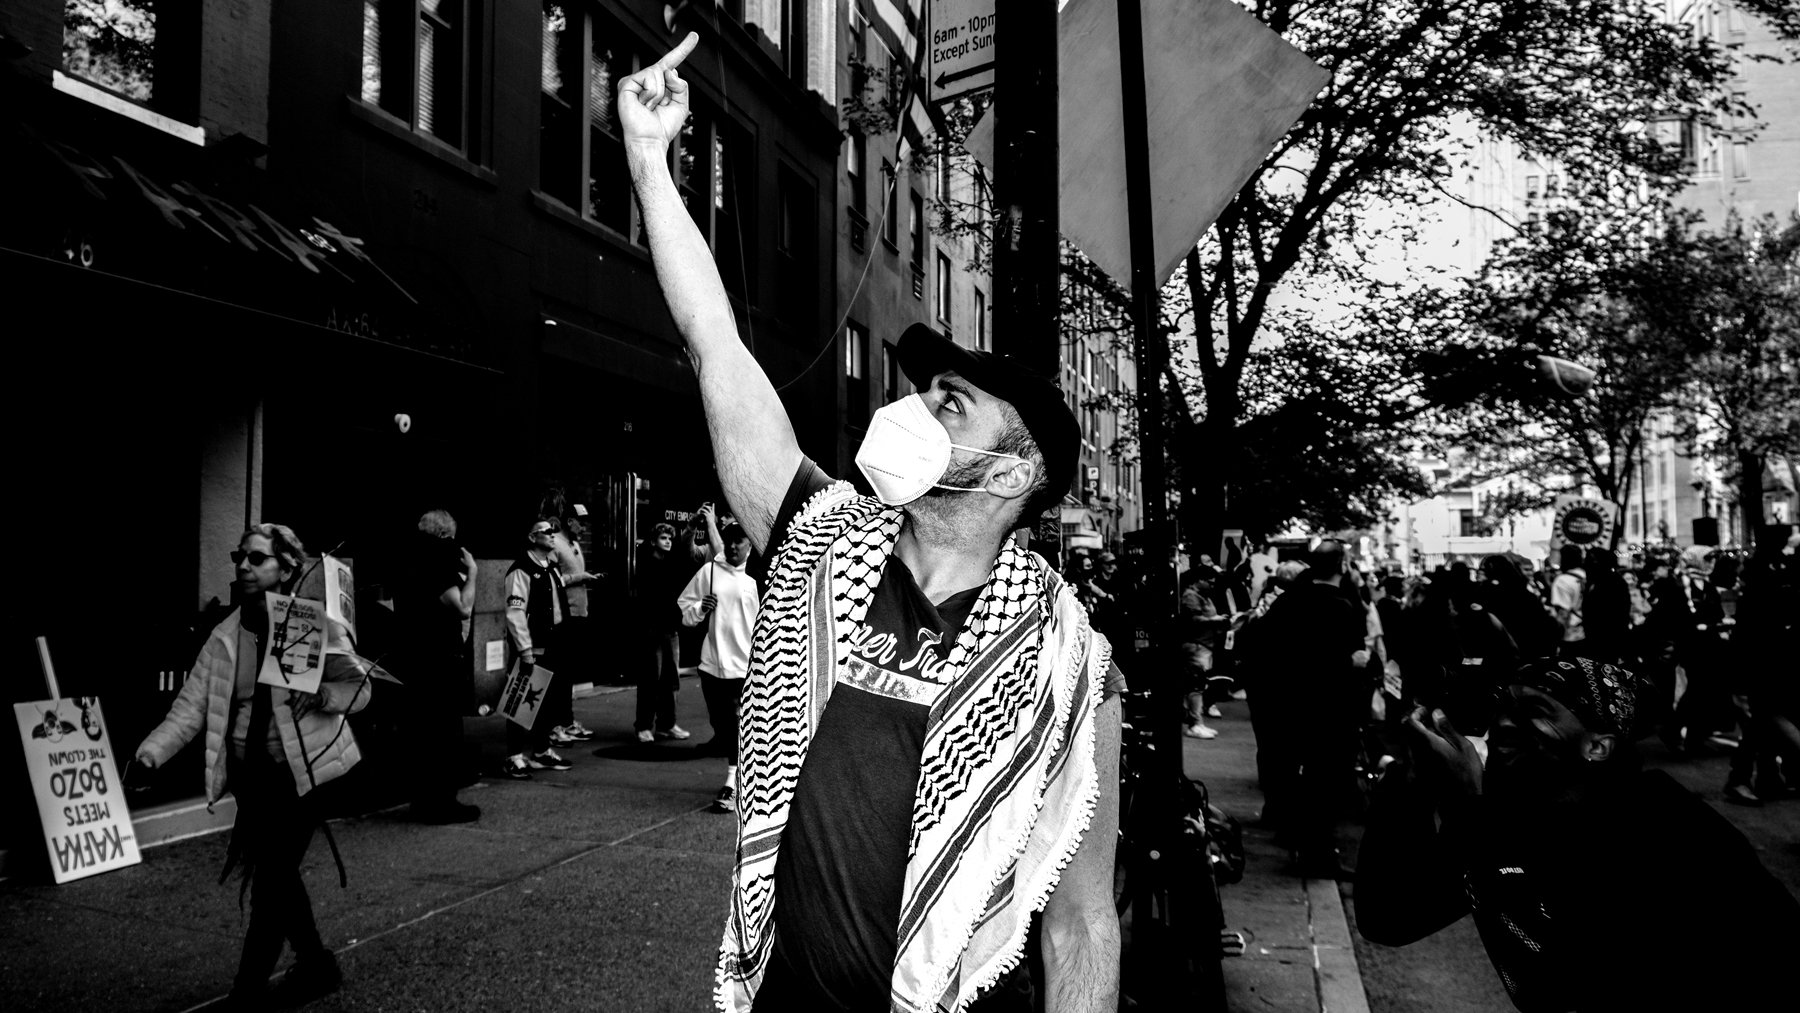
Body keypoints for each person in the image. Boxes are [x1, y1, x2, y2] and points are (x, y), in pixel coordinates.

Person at [622, 35, 1121, 1012]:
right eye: (925, 389)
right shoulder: (822, 537)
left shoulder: (1074, 666)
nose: (918, 409)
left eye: (954, 401)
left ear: (1014, 469)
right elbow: (717, 347)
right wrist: (650, 163)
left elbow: (1082, 920)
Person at [1356, 657, 1800, 1011]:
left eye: (1534, 712)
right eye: (1503, 710)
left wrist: (1468, 809)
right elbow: (1391, 917)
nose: (1505, 725)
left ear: (1598, 746)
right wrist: (1410, 782)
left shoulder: (1660, 826)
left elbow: (1555, 982)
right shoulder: (1520, 817)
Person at [133, 524, 375, 1008]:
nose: (243, 566)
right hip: (254, 782)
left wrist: (324, 694)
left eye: (257, 559)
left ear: (286, 569)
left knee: (271, 882)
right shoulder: (226, 635)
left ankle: (245, 997)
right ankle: (316, 964)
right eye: (240, 557)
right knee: (279, 876)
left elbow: (362, 689)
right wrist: (150, 753)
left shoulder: (313, 624)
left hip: (304, 775)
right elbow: (191, 705)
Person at [1248, 541, 1368, 878]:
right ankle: (1319, 856)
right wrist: (1351, 661)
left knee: (1297, 774)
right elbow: (1334, 661)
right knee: (1325, 784)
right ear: (1342, 565)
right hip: (1328, 711)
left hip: (1287, 706)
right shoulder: (1341, 607)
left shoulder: (1288, 602)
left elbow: (1265, 648)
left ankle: (1296, 835)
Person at [396, 509, 480, 823]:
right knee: (444, 731)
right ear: (446, 535)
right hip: (439, 655)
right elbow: (461, 607)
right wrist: (472, 573)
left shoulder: (407, 557)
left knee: (421, 730)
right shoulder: (439, 555)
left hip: (413, 653)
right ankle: (442, 803)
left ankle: (423, 800)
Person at [677, 506, 759, 813]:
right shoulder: (710, 571)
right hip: (712, 665)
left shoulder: (757, 578)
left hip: (746, 667)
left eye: (741, 540)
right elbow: (685, 612)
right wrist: (700, 609)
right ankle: (741, 775)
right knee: (723, 726)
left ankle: (732, 783)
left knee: (739, 725)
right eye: (730, 540)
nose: (735, 546)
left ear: (751, 544)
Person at [500, 518, 575, 778]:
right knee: (522, 700)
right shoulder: (521, 569)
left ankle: (541, 750)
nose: (553, 534)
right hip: (534, 646)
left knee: (549, 700)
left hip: (555, 644)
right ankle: (514, 756)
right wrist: (524, 649)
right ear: (533, 538)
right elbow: (515, 612)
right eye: (546, 531)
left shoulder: (552, 568)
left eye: (554, 531)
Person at [634, 521, 694, 743]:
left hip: (670, 627)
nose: (668, 541)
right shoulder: (645, 564)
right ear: (653, 541)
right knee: (651, 678)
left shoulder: (672, 564)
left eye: (670, 538)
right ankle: (644, 725)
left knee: (671, 678)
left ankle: (667, 724)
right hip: (651, 628)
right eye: (663, 538)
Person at [547, 513, 602, 746]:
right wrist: (582, 576)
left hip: (579, 613)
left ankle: (566, 720)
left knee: (568, 671)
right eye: (582, 522)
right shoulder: (556, 544)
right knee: (560, 671)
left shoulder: (574, 544)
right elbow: (555, 579)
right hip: (565, 614)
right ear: (570, 521)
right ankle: (555, 724)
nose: (585, 527)